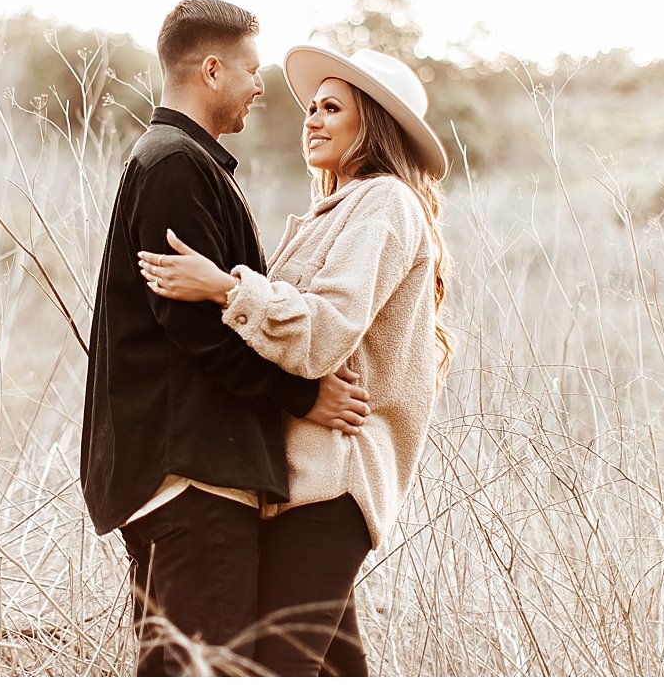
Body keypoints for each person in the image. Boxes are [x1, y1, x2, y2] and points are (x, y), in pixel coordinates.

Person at [138, 43, 452, 676]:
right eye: (310, 107)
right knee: (331, 669)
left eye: (331, 107)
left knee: (275, 669)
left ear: (375, 124)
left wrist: (225, 286)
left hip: (331, 481)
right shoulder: (333, 213)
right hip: (304, 481)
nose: (310, 119)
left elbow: (326, 332)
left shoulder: (385, 203)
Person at [80, 0, 373, 676]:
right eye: (248, 70)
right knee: (203, 670)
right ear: (210, 70)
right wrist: (303, 396)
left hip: (195, 470)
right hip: (190, 472)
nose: (258, 87)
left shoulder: (184, 162)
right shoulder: (174, 166)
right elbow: (195, 330)